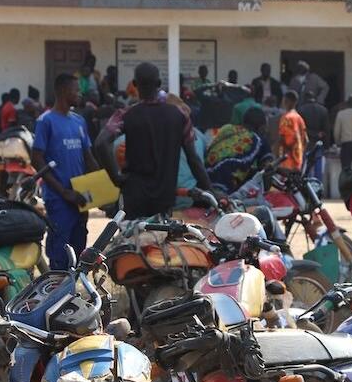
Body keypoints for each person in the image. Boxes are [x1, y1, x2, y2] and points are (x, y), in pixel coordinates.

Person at [97, 63, 214, 220]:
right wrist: (209, 191)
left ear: (135, 84)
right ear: (159, 84)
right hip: (164, 197)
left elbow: (101, 143)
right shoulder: (179, 116)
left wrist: (116, 178)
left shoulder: (126, 114)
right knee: (161, 240)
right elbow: (194, 159)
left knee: (131, 241)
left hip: (133, 196)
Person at [32, 74, 100, 269]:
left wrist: (104, 187)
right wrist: (64, 192)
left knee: (80, 249)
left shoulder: (79, 121)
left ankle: (73, 294)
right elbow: (37, 158)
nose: (80, 93)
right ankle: (56, 294)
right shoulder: (46, 121)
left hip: (81, 197)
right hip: (60, 199)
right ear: (62, 91)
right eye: (76, 90)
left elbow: (88, 157)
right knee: (60, 253)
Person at [206, 107, 272, 193]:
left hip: (204, 181)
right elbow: (267, 170)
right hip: (225, 189)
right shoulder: (259, 140)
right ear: (261, 127)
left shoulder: (227, 128)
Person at [277, 91, 308, 172]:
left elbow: (282, 139)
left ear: (287, 101)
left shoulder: (286, 118)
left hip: (287, 161)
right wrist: (299, 153)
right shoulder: (299, 118)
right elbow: (306, 140)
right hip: (298, 161)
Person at [334, 94, 352, 170]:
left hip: (346, 145)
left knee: (346, 169)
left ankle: (346, 181)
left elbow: (336, 132)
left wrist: (338, 143)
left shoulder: (341, 114)